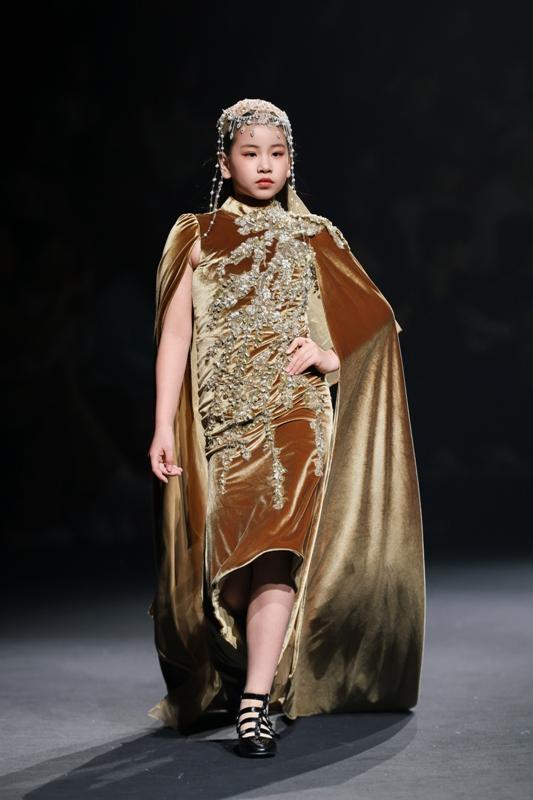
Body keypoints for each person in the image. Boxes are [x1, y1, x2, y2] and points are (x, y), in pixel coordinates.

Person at [147, 98, 425, 759]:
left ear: (291, 161)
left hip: (297, 413)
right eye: (250, 154)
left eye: (276, 154)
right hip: (224, 421)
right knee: (232, 576)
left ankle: (253, 707)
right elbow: (175, 335)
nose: (265, 165)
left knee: (277, 552)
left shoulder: (314, 234)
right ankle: (247, 673)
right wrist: (161, 424)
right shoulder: (197, 235)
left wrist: (329, 358)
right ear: (224, 163)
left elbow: (378, 324)